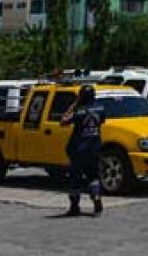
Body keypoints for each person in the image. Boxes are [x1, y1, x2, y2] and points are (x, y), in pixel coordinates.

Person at [60, 84, 104, 216]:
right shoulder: (100, 109)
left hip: (79, 150)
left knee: (75, 178)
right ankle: (96, 198)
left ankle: (74, 207)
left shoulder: (78, 112)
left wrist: (74, 104)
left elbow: (63, 121)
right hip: (95, 148)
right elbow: (101, 121)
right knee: (93, 176)